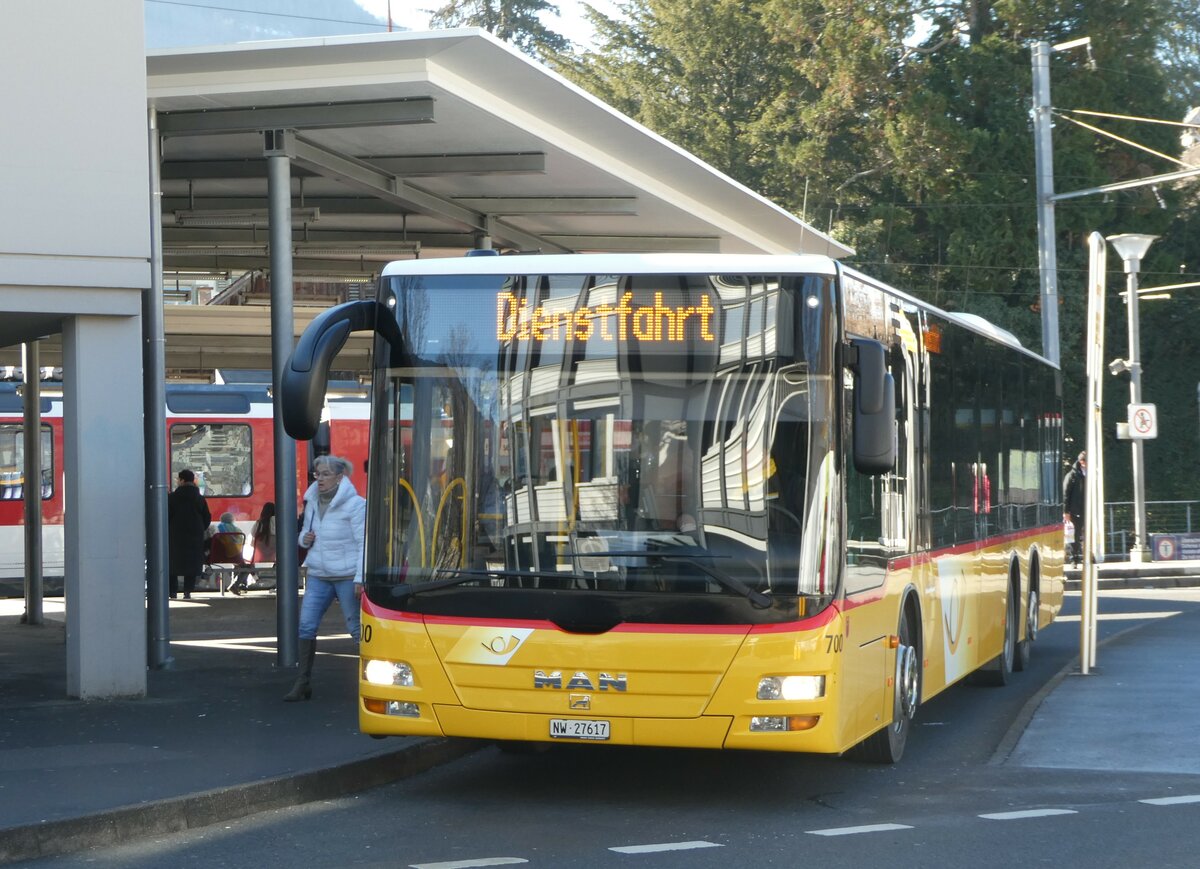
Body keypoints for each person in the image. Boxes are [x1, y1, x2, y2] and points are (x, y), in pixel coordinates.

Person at [284, 455, 366, 702]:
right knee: (306, 626)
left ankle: (371, 682)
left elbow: (364, 542)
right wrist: (302, 540)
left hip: (347, 575)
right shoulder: (311, 500)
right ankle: (302, 682)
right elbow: (306, 533)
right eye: (317, 473)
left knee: (355, 629)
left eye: (325, 474)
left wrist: (360, 578)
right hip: (319, 573)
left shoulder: (356, 505)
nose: (318, 478)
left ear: (340, 477)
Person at [167, 469, 210, 600]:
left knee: (172, 563)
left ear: (182, 480)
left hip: (175, 535)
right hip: (195, 535)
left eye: (178, 479)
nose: (177, 482)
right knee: (191, 563)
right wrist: (200, 528)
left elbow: (167, 516)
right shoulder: (200, 498)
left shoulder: (172, 498)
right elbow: (206, 517)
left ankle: (172, 591)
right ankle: (187, 592)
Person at [1063, 451, 1086, 567]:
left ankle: (1088, 556)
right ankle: (1074, 558)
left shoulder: (1089, 474)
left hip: (1087, 509)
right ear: (1082, 462)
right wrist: (1066, 511)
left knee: (1086, 534)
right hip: (1076, 509)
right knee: (1075, 535)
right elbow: (1065, 494)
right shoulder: (1072, 475)